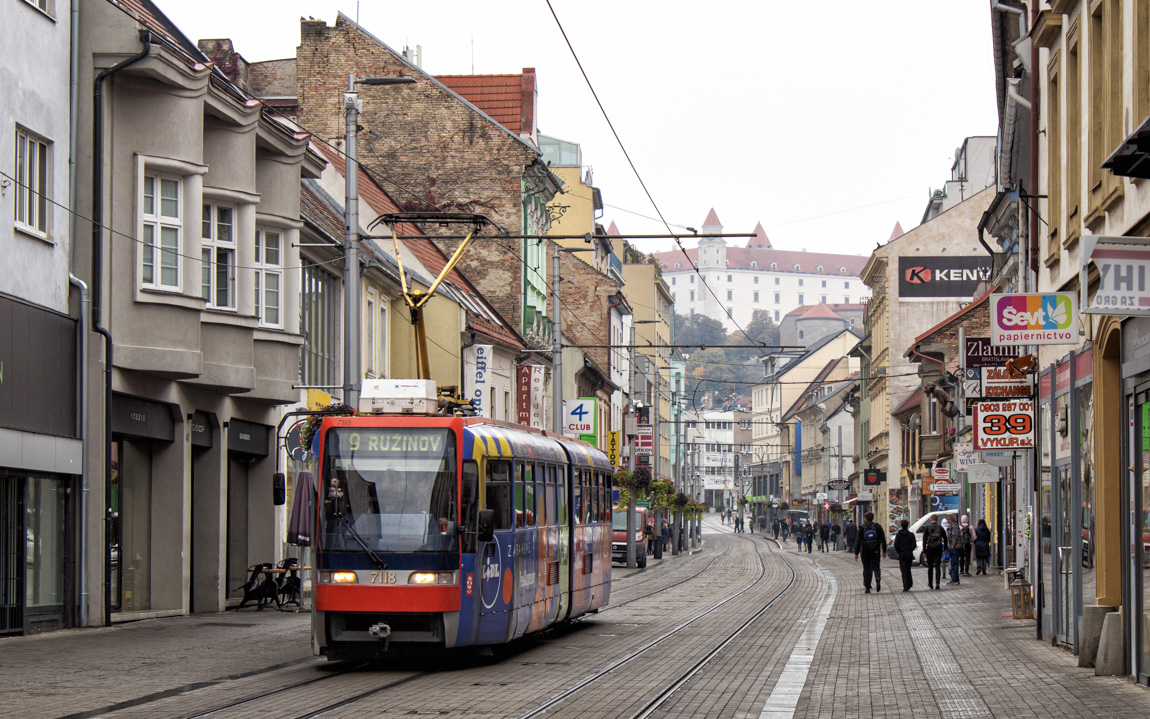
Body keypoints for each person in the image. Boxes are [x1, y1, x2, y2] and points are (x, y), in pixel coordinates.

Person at [854, 511, 887, 593]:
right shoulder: (877, 526)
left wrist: (856, 553)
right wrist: (884, 551)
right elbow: (883, 539)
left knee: (866, 568)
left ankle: (867, 587)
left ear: (865, 518)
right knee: (876, 566)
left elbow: (858, 541)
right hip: (875, 550)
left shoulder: (862, 527)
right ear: (873, 518)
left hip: (865, 550)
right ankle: (878, 578)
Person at [921, 515, 946, 589]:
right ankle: (937, 583)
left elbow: (924, 540)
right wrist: (944, 548)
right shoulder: (940, 528)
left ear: (931, 519)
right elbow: (945, 538)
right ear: (937, 519)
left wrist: (924, 551)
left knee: (930, 567)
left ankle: (930, 583)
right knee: (937, 566)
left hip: (930, 548)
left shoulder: (927, 528)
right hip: (938, 548)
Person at [893, 519, 916, 592]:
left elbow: (896, 544)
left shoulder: (898, 535)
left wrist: (899, 551)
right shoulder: (911, 535)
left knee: (903, 570)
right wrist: (910, 550)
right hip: (909, 554)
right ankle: (909, 583)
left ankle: (905, 585)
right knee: (908, 569)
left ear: (901, 525)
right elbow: (914, 545)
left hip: (902, 554)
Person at [946, 514, 963, 585]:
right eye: (947, 519)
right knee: (953, 563)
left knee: (954, 563)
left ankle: (955, 579)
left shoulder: (954, 526)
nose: (948, 521)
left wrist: (953, 545)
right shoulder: (950, 526)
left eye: (949, 519)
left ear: (952, 519)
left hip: (955, 547)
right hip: (952, 547)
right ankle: (954, 579)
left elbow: (954, 536)